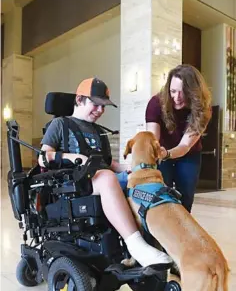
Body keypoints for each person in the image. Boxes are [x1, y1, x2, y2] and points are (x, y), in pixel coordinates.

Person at [38, 77, 172, 268]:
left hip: (102, 179)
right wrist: (74, 158)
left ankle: (160, 241)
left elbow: (108, 163)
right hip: (73, 184)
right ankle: (137, 247)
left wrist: (131, 170)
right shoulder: (60, 124)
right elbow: (43, 157)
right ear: (79, 100)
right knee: (106, 177)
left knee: (144, 178)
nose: (100, 111)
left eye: (104, 106)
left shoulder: (99, 131)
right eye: (96, 104)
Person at [146, 64, 212, 213]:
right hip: (161, 152)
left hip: (189, 154)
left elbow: (185, 146)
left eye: (183, 92)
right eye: (173, 91)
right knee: (162, 193)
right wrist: (157, 153)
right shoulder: (156, 103)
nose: (176, 98)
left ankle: (182, 230)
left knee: (186, 196)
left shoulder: (203, 108)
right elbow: (153, 139)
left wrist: (168, 153)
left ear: (193, 93)